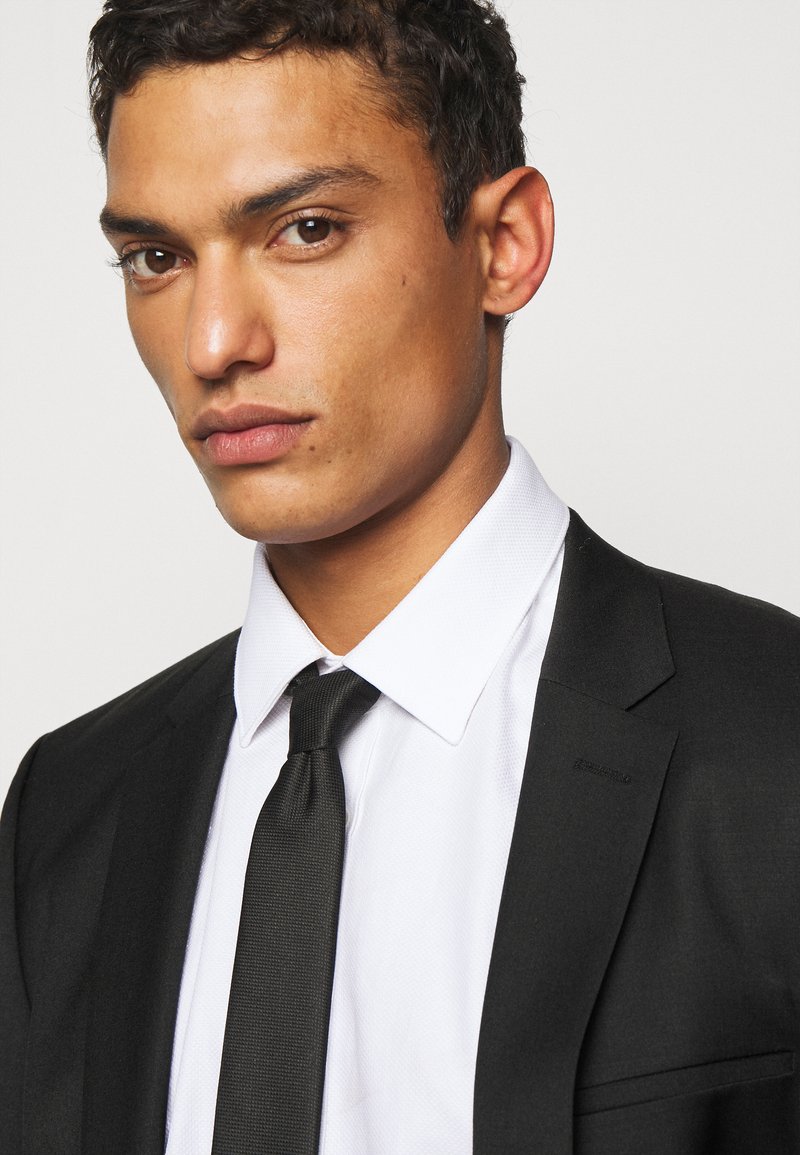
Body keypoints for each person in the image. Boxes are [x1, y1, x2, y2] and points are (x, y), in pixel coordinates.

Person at [1, 0, 798, 1152]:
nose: (213, 342)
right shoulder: (68, 808)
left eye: (305, 229)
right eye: (156, 258)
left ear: (503, 245)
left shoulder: (772, 744)